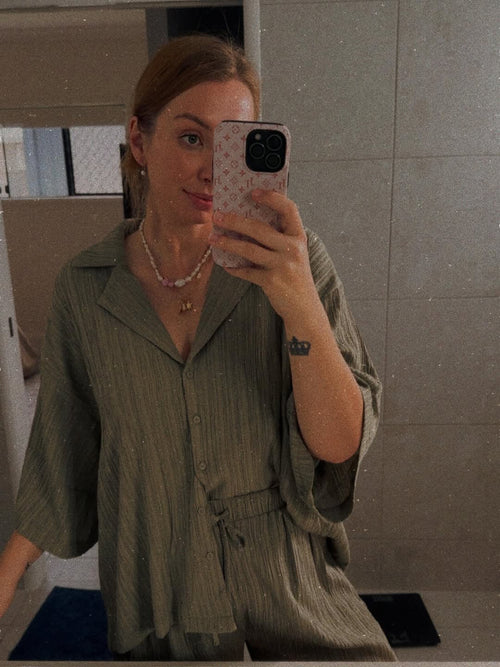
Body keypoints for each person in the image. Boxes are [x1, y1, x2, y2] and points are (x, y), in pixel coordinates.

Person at [0, 34, 396, 661]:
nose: (215, 168)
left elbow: (339, 444)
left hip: (293, 599)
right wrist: (4, 580)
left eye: (235, 144)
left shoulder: (294, 265)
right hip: (163, 609)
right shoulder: (87, 288)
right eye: (191, 138)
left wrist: (300, 307)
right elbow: (62, 453)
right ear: (139, 141)